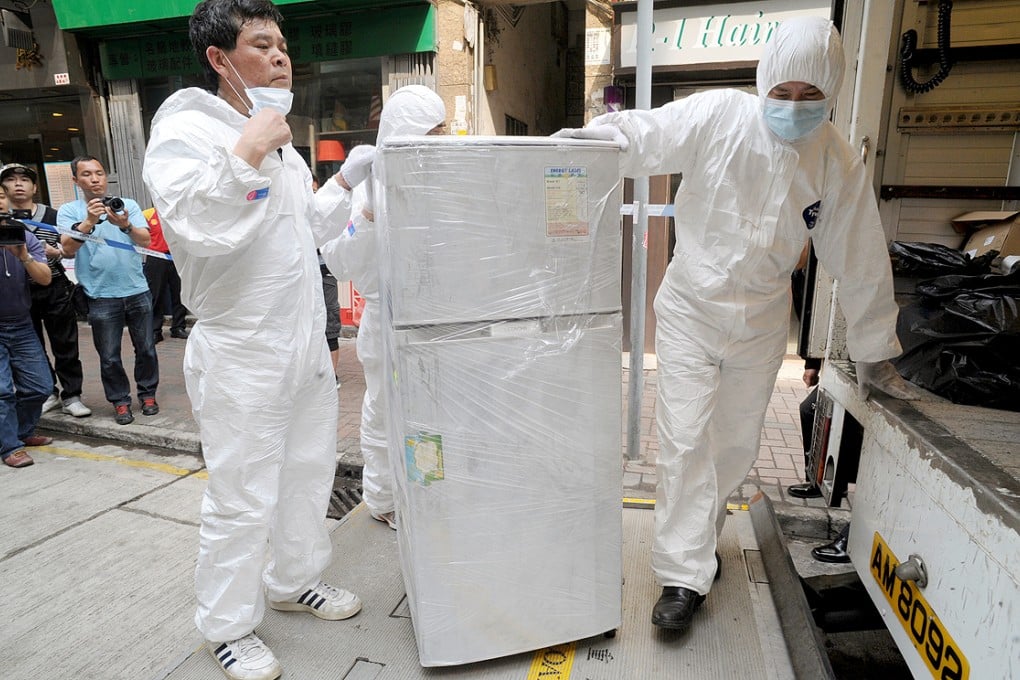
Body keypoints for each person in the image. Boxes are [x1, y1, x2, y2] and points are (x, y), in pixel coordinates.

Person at [554, 16, 918, 634]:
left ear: (829, 95)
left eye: (811, 97)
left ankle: (697, 546)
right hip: (692, 309)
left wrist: (874, 349)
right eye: (783, 93)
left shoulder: (833, 160)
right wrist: (587, 142)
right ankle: (681, 575)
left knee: (731, 448)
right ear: (763, 82)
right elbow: (646, 134)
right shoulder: (720, 117)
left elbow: (858, 258)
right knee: (685, 437)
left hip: (759, 322)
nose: (794, 108)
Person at [141, 1, 376, 678]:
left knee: (308, 474)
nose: (280, 57)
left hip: (302, 342)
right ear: (219, 58)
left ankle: (293, 579)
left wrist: (347, 180)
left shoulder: (277, 140)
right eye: (262, 45)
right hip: (242, 349)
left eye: (283, 46)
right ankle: (228, 626)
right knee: (242, 496)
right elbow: (194, 224)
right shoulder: (188, 126)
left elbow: (304, 230)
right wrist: (250, 148)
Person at [320, 85, 447, 531]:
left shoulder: (441, 179)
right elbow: (341, 262)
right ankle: (384, 498)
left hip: (434, 320)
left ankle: (427, 490)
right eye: (431, 132)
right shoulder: (367, 185)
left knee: (432, 415)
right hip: (387, 323)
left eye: (442, 130)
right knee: (385, 414)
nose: (439, 140)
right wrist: (368, 218)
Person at [58, 156, 160, 426]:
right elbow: (67, 249)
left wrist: (124, 224)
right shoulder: (69, 210)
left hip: (137, 289)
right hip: (101, 295)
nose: (95, 179)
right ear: (76, 180)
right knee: (109, 355)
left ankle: (148, 395)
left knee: (147, 348)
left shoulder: (127, 205)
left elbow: (145, 239)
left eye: (100, 173)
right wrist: (90, 220)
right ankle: (120, 402)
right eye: (87, 174)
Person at [0, 162, 92, 418]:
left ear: (35, 186)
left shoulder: (54, 216)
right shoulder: (3, 219)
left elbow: (69, 247)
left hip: (53, 286)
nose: (18, 184)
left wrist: (58, 252)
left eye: (24, 179)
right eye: (11, 179)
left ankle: (72, 394)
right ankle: (46, 391)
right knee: (31, 346)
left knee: (65, 342)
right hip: (17, 292)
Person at [0, 197, 56, 469]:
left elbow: (45, 278)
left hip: (21, 323)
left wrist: (23, 256)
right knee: (2, 392)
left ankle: (21, 432)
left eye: (0, 196)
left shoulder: (21, 234)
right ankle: (10, 445)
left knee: (40, 386)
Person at [142, 207, 190, 343]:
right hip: (156, 257)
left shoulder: (179, 213)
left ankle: (178, 327)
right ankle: (155, 330)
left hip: (177, 257)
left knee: (180, 293)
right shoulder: (147, 214)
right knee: (156, 294)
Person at [312, 176, 342, 387]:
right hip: (303, 272)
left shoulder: (324, 212)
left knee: (330, 322)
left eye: (315, 190)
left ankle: (332, 376)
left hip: (324, 270)